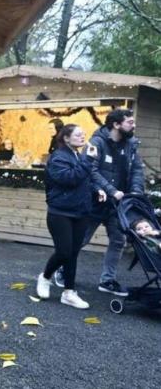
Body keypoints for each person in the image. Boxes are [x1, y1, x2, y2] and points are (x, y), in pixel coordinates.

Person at [54, 109, 143, 296]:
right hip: (95, 201)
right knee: (80, 240)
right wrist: (111, 191)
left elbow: (136, 171)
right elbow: (91, 171)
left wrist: (135, 191)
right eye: (130, 122)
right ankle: (62, 270)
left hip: (118, 204)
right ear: (116, 125)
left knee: (118, 240)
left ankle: (107, 280)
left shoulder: (131, 145)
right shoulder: (97, 142)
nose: (133, 126)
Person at [36, 124, 100, 309]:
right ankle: (45, 277)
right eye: (78, 135)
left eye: (83, 134)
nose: (82, 137)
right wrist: (88, 159)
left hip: (80, 211)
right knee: (64, 251)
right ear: (66, 138)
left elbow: (84, 181)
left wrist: (98, 190)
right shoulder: (58, 157)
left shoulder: (78, 156)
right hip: (60, 212)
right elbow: (69, 179)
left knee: (73, 253)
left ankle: (69, 293)